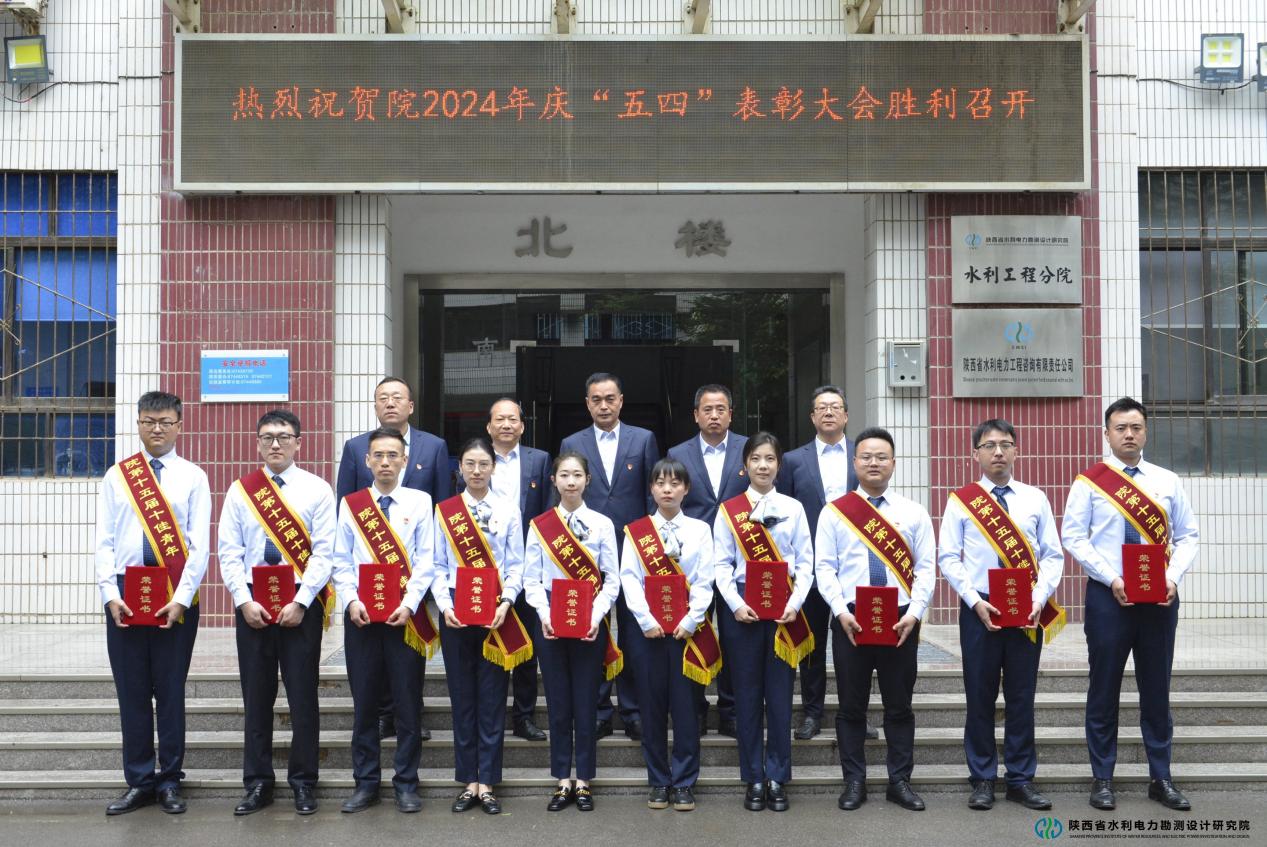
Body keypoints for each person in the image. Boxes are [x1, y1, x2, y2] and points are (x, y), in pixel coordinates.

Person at [1061, 397, 1199, 813]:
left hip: (1159, 597)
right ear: (1107, 434)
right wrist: (1112, 578)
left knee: (1156, 688)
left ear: (1146, 432)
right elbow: (1074, 536)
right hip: (1109, 598)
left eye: (1136, 427)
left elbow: (1188, 535)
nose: (1129, 434)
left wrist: (1172, 577)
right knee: (1104, 689)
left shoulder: (1167, 481)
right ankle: (1102, 778)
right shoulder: (1090, 482)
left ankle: (1161, 777)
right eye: (1120, 428)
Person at [938, 419, 1064, 812]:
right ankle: (982, 778)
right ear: (975, 453)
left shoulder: (1035, 498)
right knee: (979, 695)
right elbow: (948, 557)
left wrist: (1039, 599)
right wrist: (973, 599)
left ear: (1016, 451)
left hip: (1026, 609)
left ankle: (1021, 778)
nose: (998, 452)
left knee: (1022, 696)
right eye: (989, 445)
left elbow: (1053, 555)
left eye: (1005, 444)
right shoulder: (962, 500)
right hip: (980, 608)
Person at [96, 391, 210, 816]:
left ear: (179, 425)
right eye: (149, 421)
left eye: (164, 421)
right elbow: (104, 540)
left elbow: (199, 545)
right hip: (126, 593)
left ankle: (170, 779)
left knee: (170, 690)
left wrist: (181, 599)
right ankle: (140, 781)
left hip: (175, 592)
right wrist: (110, 594)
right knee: (132, 691)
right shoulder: (118, 476)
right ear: (138, 424)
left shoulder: (193, 476)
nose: (156, 429)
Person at [218, 410, 336, 816]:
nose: (275, 444)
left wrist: (301, 601)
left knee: (303, 697)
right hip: (253, 605)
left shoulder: (318, 489)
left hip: (301, 605)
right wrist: (242, 600)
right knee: (256, 697)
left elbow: (325, 552)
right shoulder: (241, 491)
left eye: (283, 436)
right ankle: (257, 783)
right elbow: (229, 551)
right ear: (257, 443)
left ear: (298, 443)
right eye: (267, 437)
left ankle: (304, 782)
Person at [814, 426, 935, 813]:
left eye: (881, 457)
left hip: (900, 619)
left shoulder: (913, 512)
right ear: (855, 463)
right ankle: (854, 780)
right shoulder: (835, 512)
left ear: (894, 464)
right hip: (851, 618)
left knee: (899, 705)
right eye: (866, 457)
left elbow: (926, 568)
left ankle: (900, 781)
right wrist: (840, 611)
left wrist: (915, 613)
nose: (873, 463)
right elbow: (824, 568)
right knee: (851, 706)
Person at [336, 376, 449, 742]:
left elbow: (443, 506)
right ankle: (382, 715)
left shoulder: (434, 446)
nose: (390, 403)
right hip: (366, 578)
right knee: (371, 661)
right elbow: (345, 506)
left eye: (397, 397)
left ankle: (410, 714)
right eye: (382, 397)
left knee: (407, 659)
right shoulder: (355, 447)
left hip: (410, 575)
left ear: (410, 405)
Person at [332, 427, 436, 814]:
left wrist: (409, 603)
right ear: (367, 461)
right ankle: (366, 783)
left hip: (405, 618)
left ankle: (406, 783)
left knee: (407, 705)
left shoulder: (420, 502)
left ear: (405, 460)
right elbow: (341, 559)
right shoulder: (353, 504)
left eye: (393, 455)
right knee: (365, 705)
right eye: (378, 455)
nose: (386, 462)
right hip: (361, 617)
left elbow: (426, 559)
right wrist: (351, 600)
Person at [713, 432, 814, 813]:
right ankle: (753, 776)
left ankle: (777, 776)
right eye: (756, 458)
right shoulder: (729, 511)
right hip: (743, 611)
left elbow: (806, 562)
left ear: (779, 465)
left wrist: (796, 602)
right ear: (745, 465)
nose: (762, 465)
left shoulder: (794, 508)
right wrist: (736, 605)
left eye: (770, 458)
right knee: (747, 696)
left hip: (784, 608)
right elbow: (721, 565)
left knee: (780, 697)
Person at [434, 438, 533, 815]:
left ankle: (488, 782)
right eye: (470, 464)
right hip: (456, 611)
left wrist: (507, 602)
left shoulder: (508, 509)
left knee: (492, 698)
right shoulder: (446, 511)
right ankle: (468, 782)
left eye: (483, 464)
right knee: (462, 697)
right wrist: (444, 606)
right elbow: (437, 565)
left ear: (494, 468)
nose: (476, 471)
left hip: (496, 610)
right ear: (460, 468)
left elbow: (516, 565)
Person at [559, 372, 658, 741]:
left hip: (633, 550)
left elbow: (651, 495)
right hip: (587, 552)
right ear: (588, 404)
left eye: (610, 398)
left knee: (633, 633)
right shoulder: (573, 442)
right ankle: (598, 710)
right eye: (596, 399)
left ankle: (632, 711)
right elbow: (566, 494)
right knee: (593, 630)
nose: (604, 405)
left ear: (621, 401)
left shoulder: (643, 439)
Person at [523, 451, 621, 812]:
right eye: (564, 475)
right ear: (554, 480)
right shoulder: (541, 525)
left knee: (586, 701)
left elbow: (612, 579)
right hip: (550, 617)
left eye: (577, 475)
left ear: (587, 480)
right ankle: (562, 779)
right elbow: (531, 578)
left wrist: (596, 616)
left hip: (589, 618)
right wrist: (544, 613)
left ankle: (584, 780)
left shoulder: (602, 523)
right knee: (559, 701)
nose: (570, 481)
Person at [620, 458, 720, 812]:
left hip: (686, 633)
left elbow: (705, 579)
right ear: (651, 489)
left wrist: (692, 620)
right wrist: (645, 619)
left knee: (686, 708)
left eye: (675, 483)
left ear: (686, 489)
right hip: (648, 633)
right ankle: (658, 781)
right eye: (660, 483)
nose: (667, 489)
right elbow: (629, 578)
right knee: (651, 708)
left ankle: (685, 782)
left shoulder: (700, 530)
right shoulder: (637, 532)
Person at [776, 385, 865, 741]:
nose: (829, 412)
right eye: (821, 407)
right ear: (812, 417)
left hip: (855, 566)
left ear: (846, 415)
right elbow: (784, 512)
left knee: (856, 642)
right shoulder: (793, 461)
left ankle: (854, 712)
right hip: (809, 566)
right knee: (811, 642)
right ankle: (812, 712)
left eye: (835, 406)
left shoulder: (863, 456)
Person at [667, 384, 747, 738]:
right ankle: (695, 708)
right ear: (696, 415)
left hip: (738, 559)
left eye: (721, 409)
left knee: (733, 636)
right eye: (707, 410)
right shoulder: (678, 453)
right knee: (694, 631)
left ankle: (730, 709)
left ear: (731, 413)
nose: (714, 416)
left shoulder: (748, 449)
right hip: (692, 561)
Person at [486, 397, 552, 742]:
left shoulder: (539, 460)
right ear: (489, 426)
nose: (506, 425)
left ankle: (523, 716)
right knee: (490, 640)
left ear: (522, 426)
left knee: (527, 644)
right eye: (500, 419)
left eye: (513, 419)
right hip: (486, 567)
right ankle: (492, 714)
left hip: (528, 565)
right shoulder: (478, 460)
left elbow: (548, 512)